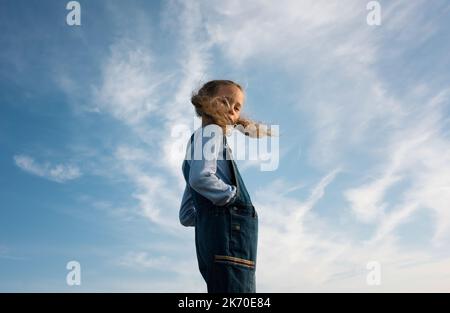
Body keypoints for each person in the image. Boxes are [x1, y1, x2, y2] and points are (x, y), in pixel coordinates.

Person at [179, 79, 272, 293]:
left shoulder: (197, 143)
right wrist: (232, 200)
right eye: (224, 101)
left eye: (237, 106)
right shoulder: (211, 133)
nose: (231, 109)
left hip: (213, 240)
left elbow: (186, 214)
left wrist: (209, 217)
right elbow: (200, 180)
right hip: (231, 237)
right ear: (205, 103)